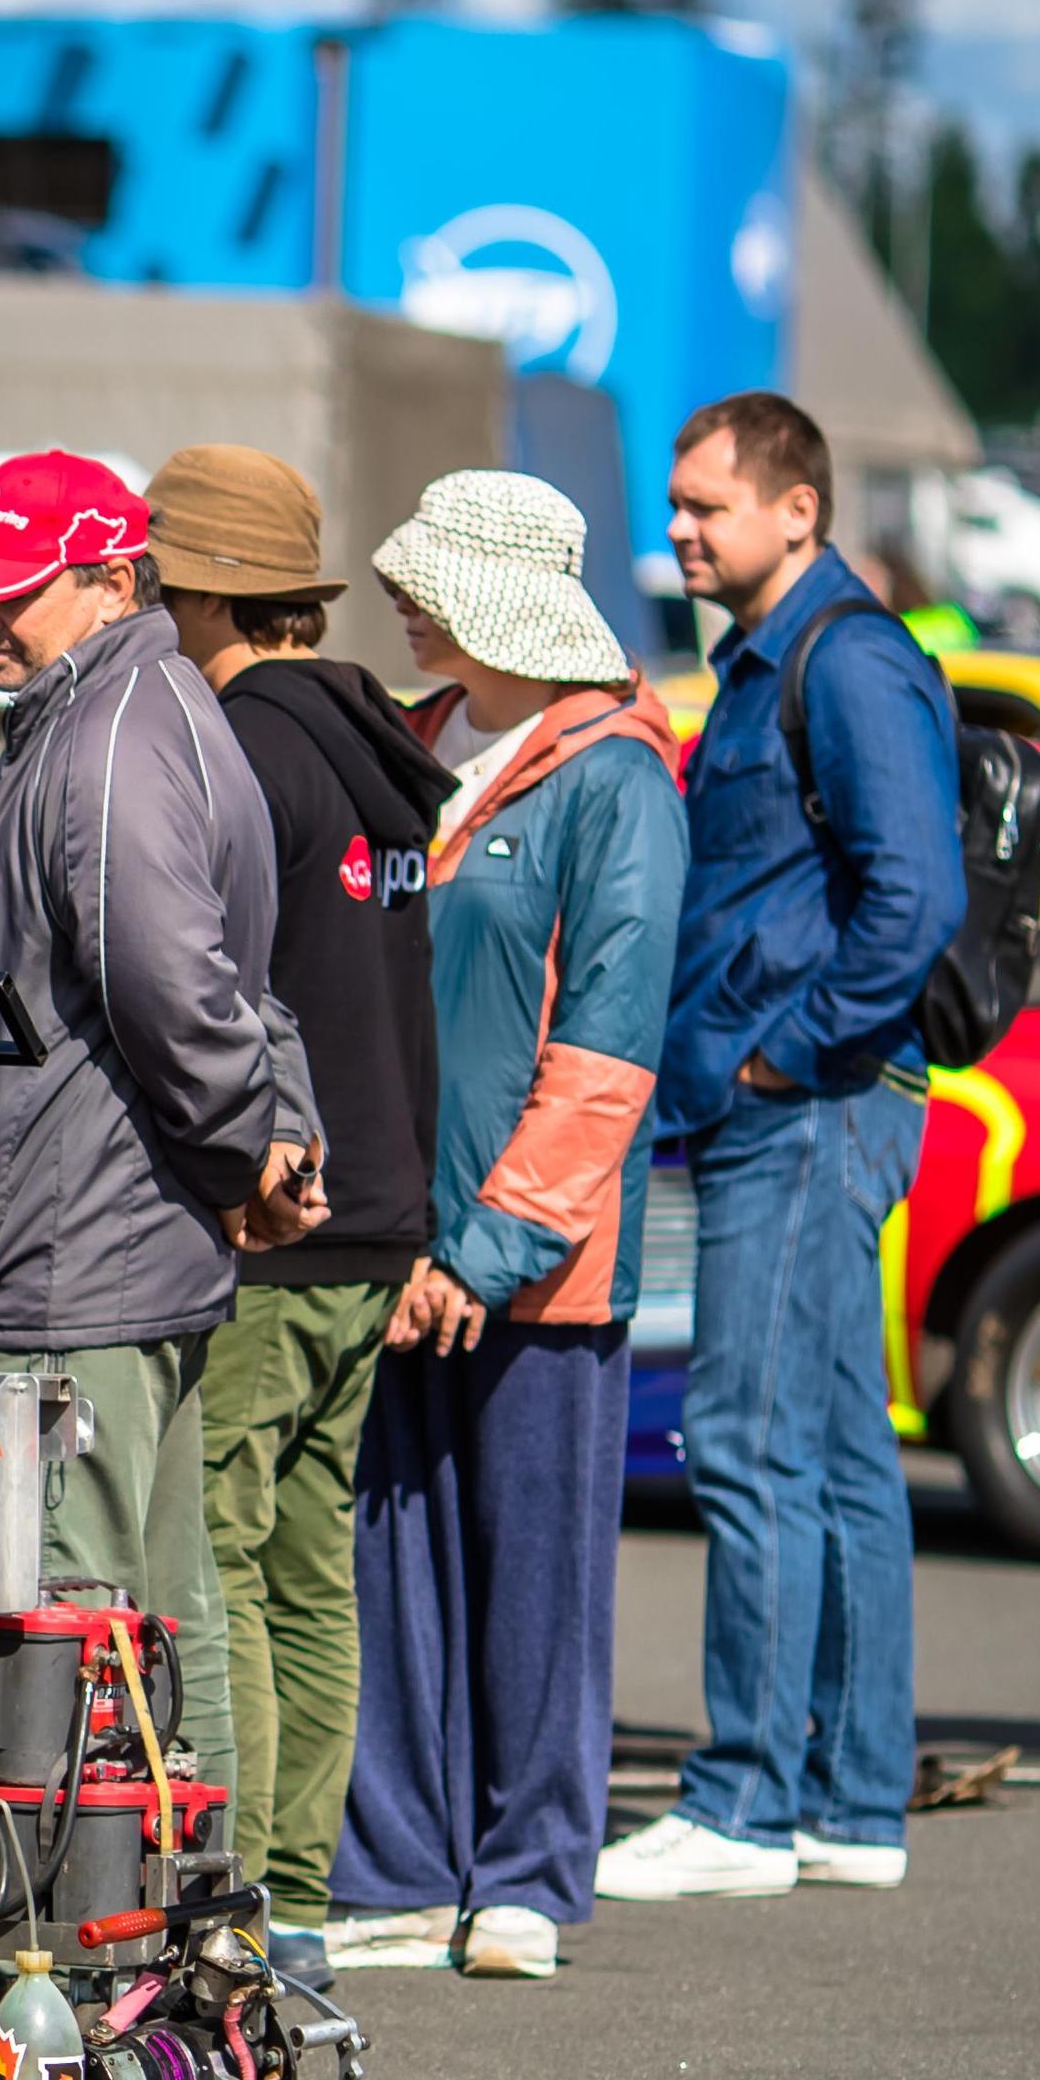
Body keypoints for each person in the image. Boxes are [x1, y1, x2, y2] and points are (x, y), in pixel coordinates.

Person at [0, 451, 320, 1807]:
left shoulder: (114, 733)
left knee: (70, 1636)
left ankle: (75, 1965)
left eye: (14, 592)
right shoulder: (118, 714)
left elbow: (177, 989)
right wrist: (263, 1136)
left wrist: (253, 1140)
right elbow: (224, 991)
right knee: (141, 1628)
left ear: (116, 577)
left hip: (69, 1271)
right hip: (71, 1256)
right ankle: (188, 1953)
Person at [599, 392, 961, 1906]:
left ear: (796, 510)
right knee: (833, 1455)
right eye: (677, 504)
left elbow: (914, 898)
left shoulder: (844, 658)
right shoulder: (768, 658)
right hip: (798, 1098)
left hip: (811, 1104)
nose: (679, 527)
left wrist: (783, 1052)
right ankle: (849, 1800)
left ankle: (746, 1800)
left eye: (707, 504)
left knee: (749, 1444)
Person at [324, 475, 686, 1981]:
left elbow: (608, 1046)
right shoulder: (406, 747)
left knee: (534, 1574)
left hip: (528, 1257)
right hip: (388, 1239)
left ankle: (531, 1869)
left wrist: (491, 1246)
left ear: (503, 598)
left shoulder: (619, 780)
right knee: (387, 1568)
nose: (399, 601)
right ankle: (404, 1864)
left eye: (430, 581)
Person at [158, 446, 453, 1989]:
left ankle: (251, 1909)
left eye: (159, 576)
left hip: (282, 1207)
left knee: (222, 1559)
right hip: (384, 1204)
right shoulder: (371, 743)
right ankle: (306, 1905)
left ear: (200, 588)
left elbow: (213, 990)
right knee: (307, 1563)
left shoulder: (237, 748)